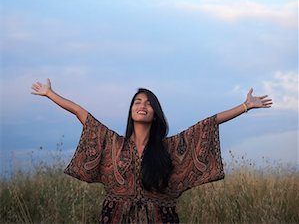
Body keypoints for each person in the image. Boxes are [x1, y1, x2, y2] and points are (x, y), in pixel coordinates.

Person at [31, 79, 272, 224]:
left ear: (155, 112)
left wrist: (246, 106)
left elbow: (208, 124)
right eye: (137, 102)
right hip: (116, 217)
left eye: (148, 103)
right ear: (131, 111)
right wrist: (50, 93)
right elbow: (80, 113)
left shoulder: (168, 148)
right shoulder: (114, 143)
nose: (142, 106)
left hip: (160, 218)